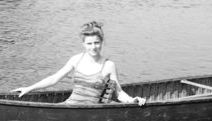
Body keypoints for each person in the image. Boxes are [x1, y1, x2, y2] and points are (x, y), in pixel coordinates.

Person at [13, 21, 147, 106]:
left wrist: (133, 100)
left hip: (90, 111)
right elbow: (54, 79)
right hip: (69, 106)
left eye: (96, 43)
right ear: (83, 44)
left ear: (102, 42)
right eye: (89, 43)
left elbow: (118, 93)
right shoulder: (76, 59)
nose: (93, 47)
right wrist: (29, 88)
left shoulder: (108, 65)